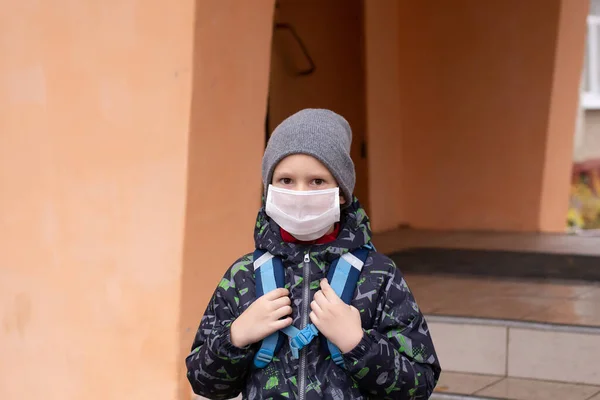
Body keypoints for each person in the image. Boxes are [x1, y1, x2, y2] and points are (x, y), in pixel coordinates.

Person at [186, 109, 441, 399]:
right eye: (286, 180)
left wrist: (358, 343)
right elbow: (203, 383)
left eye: (317, 181)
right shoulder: (243, 275)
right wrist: (235, 337)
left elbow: (419, 385)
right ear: (269, 189)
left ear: (341, 192)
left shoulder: (379, 275)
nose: (300, 193)